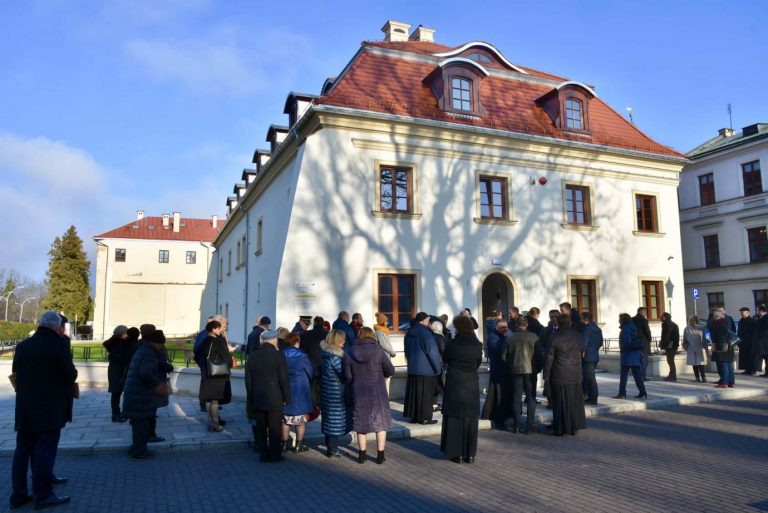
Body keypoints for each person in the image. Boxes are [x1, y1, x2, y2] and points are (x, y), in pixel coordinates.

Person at [11, 311, 77, 510]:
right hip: (49, 409)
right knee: (44, 451)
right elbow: (70, 375)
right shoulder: (58, 346)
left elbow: (16, 372)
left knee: (22, 452)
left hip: (25, 408)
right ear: (57, 327)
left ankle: (18, 495)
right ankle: (44, 494)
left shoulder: (23, 346)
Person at [345, 327, 394, 464]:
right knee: (381, 423)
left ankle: (362, 455)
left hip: (358, 391)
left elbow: (347, 376)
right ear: (372, 336)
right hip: (377, 390)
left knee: (361, 423)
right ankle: (380, 455)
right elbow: (390, 369)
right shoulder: (378, 350)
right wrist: (383, 375)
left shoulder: (349, 351)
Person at [122, 326, 172, 460]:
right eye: (161, 344)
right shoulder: (149, 353)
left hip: (135, 391)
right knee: (141, 423)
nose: (161, 347)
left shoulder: (144, 349)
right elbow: (145, 373)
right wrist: (157, 383)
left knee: (138, 422)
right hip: (140, 393)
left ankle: (135, 448)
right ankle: (139, 451)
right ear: (156, 342)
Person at [440, 314, 483, 463]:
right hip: (471, 382)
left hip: (455, 382)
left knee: (454, 418)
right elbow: (477, 363)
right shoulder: (477, 345)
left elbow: (445, 359)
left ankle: (455, 453)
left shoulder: (452, 343)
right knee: (470, 419)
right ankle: (469, 454)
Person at [246, 330, 290, 463]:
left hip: (258, 396)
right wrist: (287, 397)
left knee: (261, 428)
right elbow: (283, 379)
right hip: (275, 397)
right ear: (274, 340)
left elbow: (248, 379)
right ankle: (275, 454)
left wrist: (251, 396)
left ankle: (263, 453)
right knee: (275, 428)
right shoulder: (278, 355)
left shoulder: (253, 356)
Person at [544, 315, 586, 436]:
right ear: (570, 322)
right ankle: (573, 426)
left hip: (559, 373)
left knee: (559, 402)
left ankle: (560, 428)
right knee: (573, 401)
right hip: (575, 372)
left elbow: (549, 358)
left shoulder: (554, 336)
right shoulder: (577, 335)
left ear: (558, 323)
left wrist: (546, 375)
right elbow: (582, 352)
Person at [501, 316, 540, 434]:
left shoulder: (510, 338)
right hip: (530, 371)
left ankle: (516, 426)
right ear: (526, 325)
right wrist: (537, 369)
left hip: (516, 370)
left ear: (517, 325)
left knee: (516, 397)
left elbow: (503, 356)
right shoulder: (534, 337)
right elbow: (540, 355)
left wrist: (510, 366)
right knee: (531, 398)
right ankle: (529, 426)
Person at [403, 312, 442, 424]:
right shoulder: (426, 334)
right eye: (428, 319)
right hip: (426, 369)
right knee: (425, 395)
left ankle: (414, 416)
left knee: (414, 394)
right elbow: (432, 353)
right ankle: (424, 417)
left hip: (413, 368)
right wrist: (437, 368)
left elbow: (406, 350)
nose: (429, 321)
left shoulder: (410, 332)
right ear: (424, 320)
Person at [319, 329, 353, 458]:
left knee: (329, 420)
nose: (344, 343)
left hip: (327, 393)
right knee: (334, 421)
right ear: (338, 341)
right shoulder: (335, 357)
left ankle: (330, 446)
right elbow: (345, 374)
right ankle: (332, 449)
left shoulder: (326, 354)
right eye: (343, 341)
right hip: (335, 394)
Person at [279, 333, 312, 453]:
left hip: (285, 388)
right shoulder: (302, 356)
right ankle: (299, 445)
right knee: (300, 419)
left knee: (286, 419)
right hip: (300, 389)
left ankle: (284, 443)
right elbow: (309, 371)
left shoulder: (281, 355)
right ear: (296, 341)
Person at [199, 320, 233, 432]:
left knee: (208, 400)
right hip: (217, 375)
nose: (220, 330)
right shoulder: (218, 341)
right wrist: (230, 352)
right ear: (213, 329)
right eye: (218, 328)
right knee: (214, 401)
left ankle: (211, 423)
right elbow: (226, 357)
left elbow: (197, 356)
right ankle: (216, 424)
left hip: (207, 373)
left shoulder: (204, 340)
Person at [480, 319, 509, 429]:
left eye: (506, 327)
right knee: (497, 397)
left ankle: (491, 415)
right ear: (497, 327)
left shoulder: (502, 336)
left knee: (495, 396)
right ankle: (497, 419)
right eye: (502, 327)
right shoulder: (493, 337)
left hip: (502, 371)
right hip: (498, 371)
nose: (505, 329)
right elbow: (500, 349)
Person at [613, 313, 647, 400]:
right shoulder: (633, 327)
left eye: (620, 319)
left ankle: (622, 393)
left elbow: (627, 342)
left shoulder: (625, 329)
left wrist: (622, 348)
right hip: (635, 355)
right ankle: (643, 392)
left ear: (623, 320)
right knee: (637, 375)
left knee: (624, 376)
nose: (618, 321)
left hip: (627, 355)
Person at [103, 325, 130, 422]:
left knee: (116, 393)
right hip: (118, 370)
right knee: (117, 393)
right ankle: (116, 414)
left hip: (115, 370)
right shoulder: (120, 343)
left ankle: (116, 414)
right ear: (122, 333)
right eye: (126, 332)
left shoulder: (113, 342)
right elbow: (121, 358)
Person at [300, 316, 328, 405]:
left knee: (312, 386)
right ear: (323, 323)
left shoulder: (307, 334)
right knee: (323, 386)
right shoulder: (327, 334)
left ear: (314, 323)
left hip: (311, 363)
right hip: (324, 363)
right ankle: (321, 405)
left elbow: (302, 349)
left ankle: (313, 406)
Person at [581, 312, 603, 405]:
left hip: (588, 356)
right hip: (594, 355)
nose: (580, 320)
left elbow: (584, 344)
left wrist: (583, 351)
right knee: (589, 378)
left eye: (581, 318)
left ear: (585, 319)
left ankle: (592, 399)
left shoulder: (587, 329)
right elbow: (600, 343)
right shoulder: (597, 329)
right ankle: (590, 397)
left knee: (590, 379)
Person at [711, 308, 735, 388]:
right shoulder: (727, 321)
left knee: (723, 364)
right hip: (729, 345)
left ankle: (724, 383)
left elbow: (720, 335)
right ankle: (731, 382)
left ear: (717, 316)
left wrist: (719, 346)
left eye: (714, 316)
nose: (714, 318)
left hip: (722, 346)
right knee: (728, 364)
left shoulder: (719, 323)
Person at [683, 315, 707, 382]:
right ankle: (697, 377)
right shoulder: (687, 329)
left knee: (700, 363)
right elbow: (685, 338)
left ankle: (703, 377)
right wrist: (684, 345)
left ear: (696, 320)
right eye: (690, 320)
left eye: (693, 320)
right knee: (694, 363)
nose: (691, 321)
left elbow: (704, 338)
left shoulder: (700, 328)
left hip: (699, 347)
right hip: (691, 347)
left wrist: (705, 347)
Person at [632, 307, 652, 381]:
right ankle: (642, 376)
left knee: (637, 360)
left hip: (635, 342)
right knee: (644, 360)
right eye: (645, 312)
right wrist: (650, 339)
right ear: (641, 312)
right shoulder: (643, 320)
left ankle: (638, 376)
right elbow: (647, 331)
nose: (646, 314)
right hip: (643, 342)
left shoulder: (632, 319)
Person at [660, 312, 680, 382]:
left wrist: (663, 344)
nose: (661, 318)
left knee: (670, 361)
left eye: (662, 316)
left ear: (665, 317)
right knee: (670, 360)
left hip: (670, 345)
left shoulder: (667, 324)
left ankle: (672, 375)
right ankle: (671, 374)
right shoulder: (672, 324)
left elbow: (667, 336)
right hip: (673, 345)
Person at [737, 307, 757, 375]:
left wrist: (753, 342)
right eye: (741, 312)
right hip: (742, 341)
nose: (741, 313)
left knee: (751, 356)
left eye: (743, 312)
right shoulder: (741, 321)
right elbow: (739, 331)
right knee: (744, 356)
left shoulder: (752, 321)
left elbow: (754, 332)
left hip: (750, 341)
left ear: (748, 312)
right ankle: (747, 369)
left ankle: (752, 370)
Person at [756, 305, 768, 376]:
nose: (757, 312)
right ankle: (766, 372)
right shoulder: (761, 318)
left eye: (757, 310)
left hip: (765, 340)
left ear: (761, 311)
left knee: (766, 357)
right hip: (763, 341)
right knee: (765, 357)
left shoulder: (765, 317)